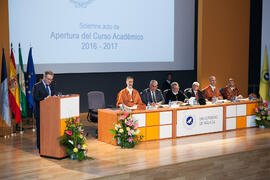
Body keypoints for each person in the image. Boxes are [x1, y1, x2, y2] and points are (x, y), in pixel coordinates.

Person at [33, 70, 55, 153]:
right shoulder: (37, 86)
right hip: (40, 112)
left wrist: (54, 97)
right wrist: (44, 99)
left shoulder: (51, 85)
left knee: (49, 129)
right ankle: (40, 147)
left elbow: (53, 94)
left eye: (51, 79)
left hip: (50, 113)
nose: (50, 81)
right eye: (49, 79)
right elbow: (36, 98)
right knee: (40, 130)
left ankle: (49, 145)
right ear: (44, 77)